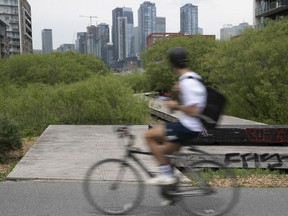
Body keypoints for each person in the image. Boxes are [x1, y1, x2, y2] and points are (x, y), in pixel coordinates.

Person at [144, 47, 207, 186]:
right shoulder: (193, 78)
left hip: (187, 127)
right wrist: (178, 93)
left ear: (172, 64)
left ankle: (166, 176)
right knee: (165, 153)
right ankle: (171, 191)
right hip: (189, 126)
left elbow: (194, 110)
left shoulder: (188, 82)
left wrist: (175, 106)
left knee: (149, 136)